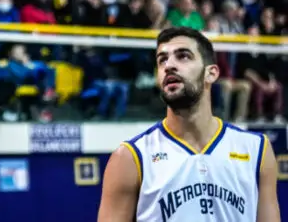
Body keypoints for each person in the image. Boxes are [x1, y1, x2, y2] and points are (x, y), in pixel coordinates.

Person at [96, 27, 280, 222]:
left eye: (183, 56)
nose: (169, 65)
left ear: (211, 73)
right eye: (162, 60)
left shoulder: (257, 149)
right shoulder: (130, 157)